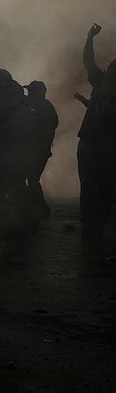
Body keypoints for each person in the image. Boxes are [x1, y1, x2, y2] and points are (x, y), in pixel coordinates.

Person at [77, 24, 116, 243]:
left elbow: (88, 62)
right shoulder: (100, 81)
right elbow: (88, 61)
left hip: (102, 145)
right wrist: (89, 38)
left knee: (100, 187)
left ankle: (94, 227)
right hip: (92, 143)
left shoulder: (101, 82)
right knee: (94, 186)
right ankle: (92, 227)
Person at [24, 81, 58, 217]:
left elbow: (50, 127)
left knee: (32, 179)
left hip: (39, 150)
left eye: (32, 91)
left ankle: (41, 208)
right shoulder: (33, 104)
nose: (29, 93)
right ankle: (36, 207)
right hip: (35, 149)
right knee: (31, 179)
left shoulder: (45, 108)